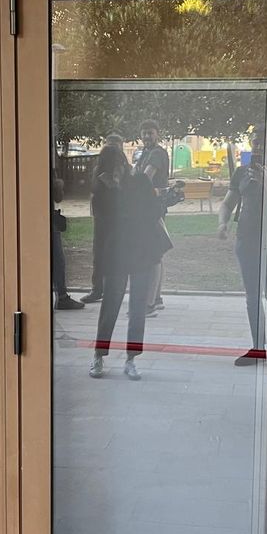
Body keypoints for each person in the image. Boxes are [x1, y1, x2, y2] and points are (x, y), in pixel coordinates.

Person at [89, 145, 172, 381]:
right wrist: (111, 190)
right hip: (115, 253)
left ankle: (131, 358)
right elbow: (104, 223)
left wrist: (120, 191)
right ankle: (99, 354)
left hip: (139, 251)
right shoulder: (102, 189)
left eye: (118, 165)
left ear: (124, 164)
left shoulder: (139, 182)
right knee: (110, 305)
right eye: (109, 167)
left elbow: (153, 211)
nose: (115, 171)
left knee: (137, 308)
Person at [218, 127, 267, 372]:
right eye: (254, 141)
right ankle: (258, 347)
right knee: (252, 297)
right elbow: (228, 202)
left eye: (263, 141)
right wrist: (222, 222)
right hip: (246, 240)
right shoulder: (242, 171)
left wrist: (266, 180)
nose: (258, 145)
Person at [82, 133, 125, 304]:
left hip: (115, 217)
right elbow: (94, 191)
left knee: (112, 254)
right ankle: (98, 288)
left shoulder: (122, 167)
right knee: (99, 253)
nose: (111, 149)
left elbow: (121, 189)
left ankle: (109, 289)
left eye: (115, 145)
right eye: (109, 145)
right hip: (102, 217)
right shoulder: (98, 168)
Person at [134, 120, 170, 315]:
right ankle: (157, 298)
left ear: (157, 134)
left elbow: (145, 178)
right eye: (144, 133)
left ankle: (152, 301)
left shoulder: (156, 153)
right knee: (157, 252)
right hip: (149, 207)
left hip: (154, 208)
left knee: (155, 253)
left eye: (150, 133)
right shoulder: (145, 153)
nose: (147, 136)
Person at [52, 175, 84, 310]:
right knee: (58, 259)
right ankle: (62, 296)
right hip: (49, 221)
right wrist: (58, 184)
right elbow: (58, 196)